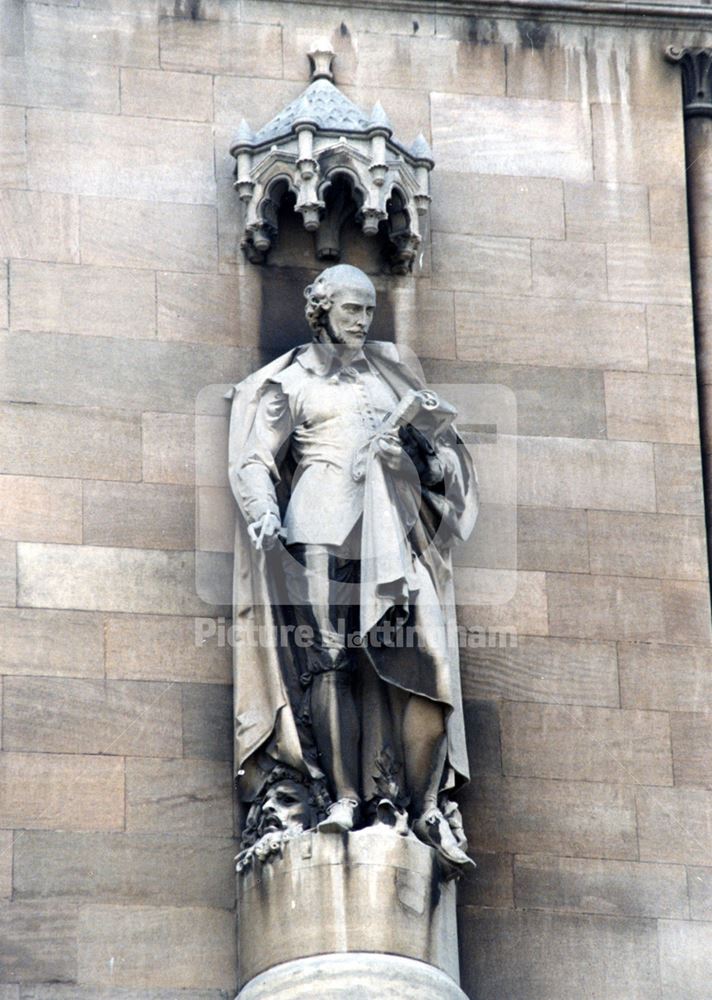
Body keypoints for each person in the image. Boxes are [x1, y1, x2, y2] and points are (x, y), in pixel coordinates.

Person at [227, 264, 478, 872]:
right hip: (316, 521)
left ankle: (418, 803)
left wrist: (415, 450)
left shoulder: (392, 377)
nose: (363, 322)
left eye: (369, 311)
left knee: (424, 659)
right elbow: (256, 461)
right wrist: (263, 512)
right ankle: (343, 796)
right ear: (321, 310)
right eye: (351, 310)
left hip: (390, 532)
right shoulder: (288, 384)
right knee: (329, 659)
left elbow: (444, 461)